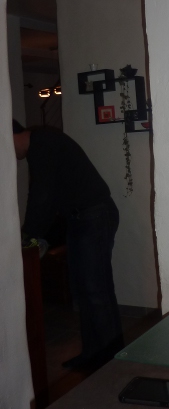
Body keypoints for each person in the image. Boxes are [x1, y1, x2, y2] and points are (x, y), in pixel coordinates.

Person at [13, 120, 124, 370]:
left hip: (93, 216)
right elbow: (48, 196)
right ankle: (95, 354)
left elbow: (42, 194)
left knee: (95, 291)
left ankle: (112, 362)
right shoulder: (42, 143)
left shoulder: (42, 143)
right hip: (83, 218)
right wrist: (34, 234)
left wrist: (29, 235)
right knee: (86, 291)